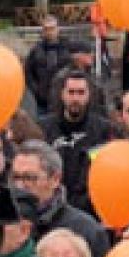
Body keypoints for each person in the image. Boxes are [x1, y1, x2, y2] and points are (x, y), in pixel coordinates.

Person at [15, 141, 109, 257]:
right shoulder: (5, 227)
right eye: (15, 177)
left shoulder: (86, 230)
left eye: (29, 178)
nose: (20, 186)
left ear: (55, 179)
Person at [40, 69, 115, 213]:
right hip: (51, 208)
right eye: (71, 92)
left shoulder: (103, 130)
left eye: (81, 93)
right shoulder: (44, 128)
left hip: (90, 210)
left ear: (89, 95)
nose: (75, 98)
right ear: (62, 94)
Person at [24, 15, 71, 116]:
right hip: (42, 101)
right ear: (43, 31)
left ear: (58, 29)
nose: (49, 32)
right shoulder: (36, 50)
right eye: (46, 29)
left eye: (52, 28)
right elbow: (27, 72)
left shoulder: (68, 48)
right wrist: (36, 90)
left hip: (63, 100)